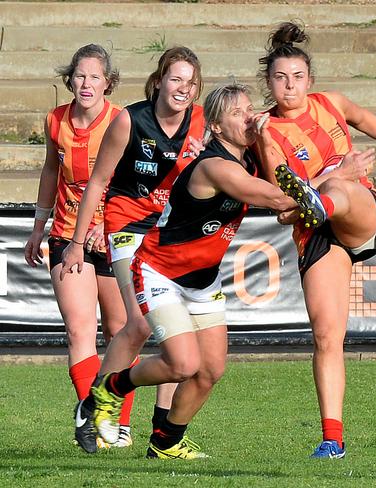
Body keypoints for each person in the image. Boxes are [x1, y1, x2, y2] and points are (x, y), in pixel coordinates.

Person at [255, 21, 376, 459]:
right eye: (280, 78)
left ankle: (325, 199)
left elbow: (367, 120)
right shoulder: (267, 132)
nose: (290, 86)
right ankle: (332, 439)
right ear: (269, 82)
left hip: (360, 213)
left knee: (340, 190)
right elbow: (282, 204)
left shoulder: (330, 103)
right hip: (315, 231)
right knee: (326, 335)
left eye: (297, 77)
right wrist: (333, 175)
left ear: (310, 80)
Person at [88, 83, 300, 458]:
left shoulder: (250, 158)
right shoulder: (215, 165)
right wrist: (316, 202)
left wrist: (268, 143)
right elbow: (275, 197)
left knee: (210, 370)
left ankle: (166, 442)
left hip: (203, 279)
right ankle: (111, 387)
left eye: (251, 109)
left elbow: (285, 186)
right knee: (183, 363)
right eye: (238, 113)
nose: (250, 117)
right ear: (216, 127)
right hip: (160, 271)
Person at [60, 46, 205, 454]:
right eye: (175, 79)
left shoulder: (201, 123)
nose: (182, 88)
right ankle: (95, 405)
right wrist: (75, 243)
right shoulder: (129, 120)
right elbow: (97, 182)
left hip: (169, 229)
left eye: (190, 82)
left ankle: (163, 437)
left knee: (177, 330)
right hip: (125, 225)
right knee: (141, 325)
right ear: (159, 80)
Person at [23, 44, 135, 450]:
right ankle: (91, 420)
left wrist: (107, 224)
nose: (86, 84)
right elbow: (51, 169)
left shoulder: (122, 121)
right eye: (80, 75)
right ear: (70, 78)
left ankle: (117, 422)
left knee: (122, 331)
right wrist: (39, 227)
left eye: (95, 76)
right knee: (79, 330)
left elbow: (129, 184)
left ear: (108, 82)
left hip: (115, 237)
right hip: (67, 237)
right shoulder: (56, 120)